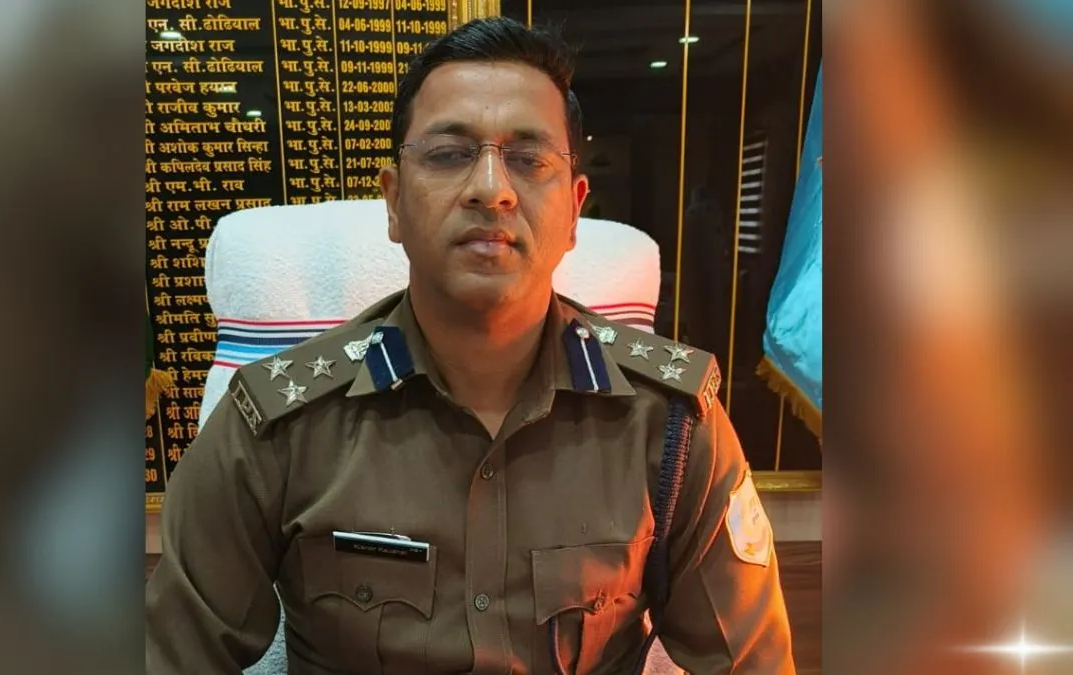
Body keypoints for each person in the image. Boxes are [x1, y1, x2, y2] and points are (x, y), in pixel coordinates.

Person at [146, 17, 795, 675]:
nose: (491, 188)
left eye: (529, 159)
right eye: (449, 154)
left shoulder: (673, 427)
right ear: (394, 202)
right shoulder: (276, 425)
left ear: (575, 210)